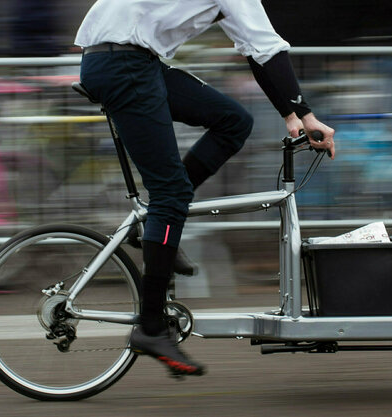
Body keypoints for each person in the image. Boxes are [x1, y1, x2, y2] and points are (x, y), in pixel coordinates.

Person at [75, 0, 336, 377]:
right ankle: (150, 327)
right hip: (124, 64)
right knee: (171, 193)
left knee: (233, 122)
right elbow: (264, 47)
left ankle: (155, 223)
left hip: (130, 60)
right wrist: (306, 114)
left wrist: (292, 114)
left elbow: (254, 48)